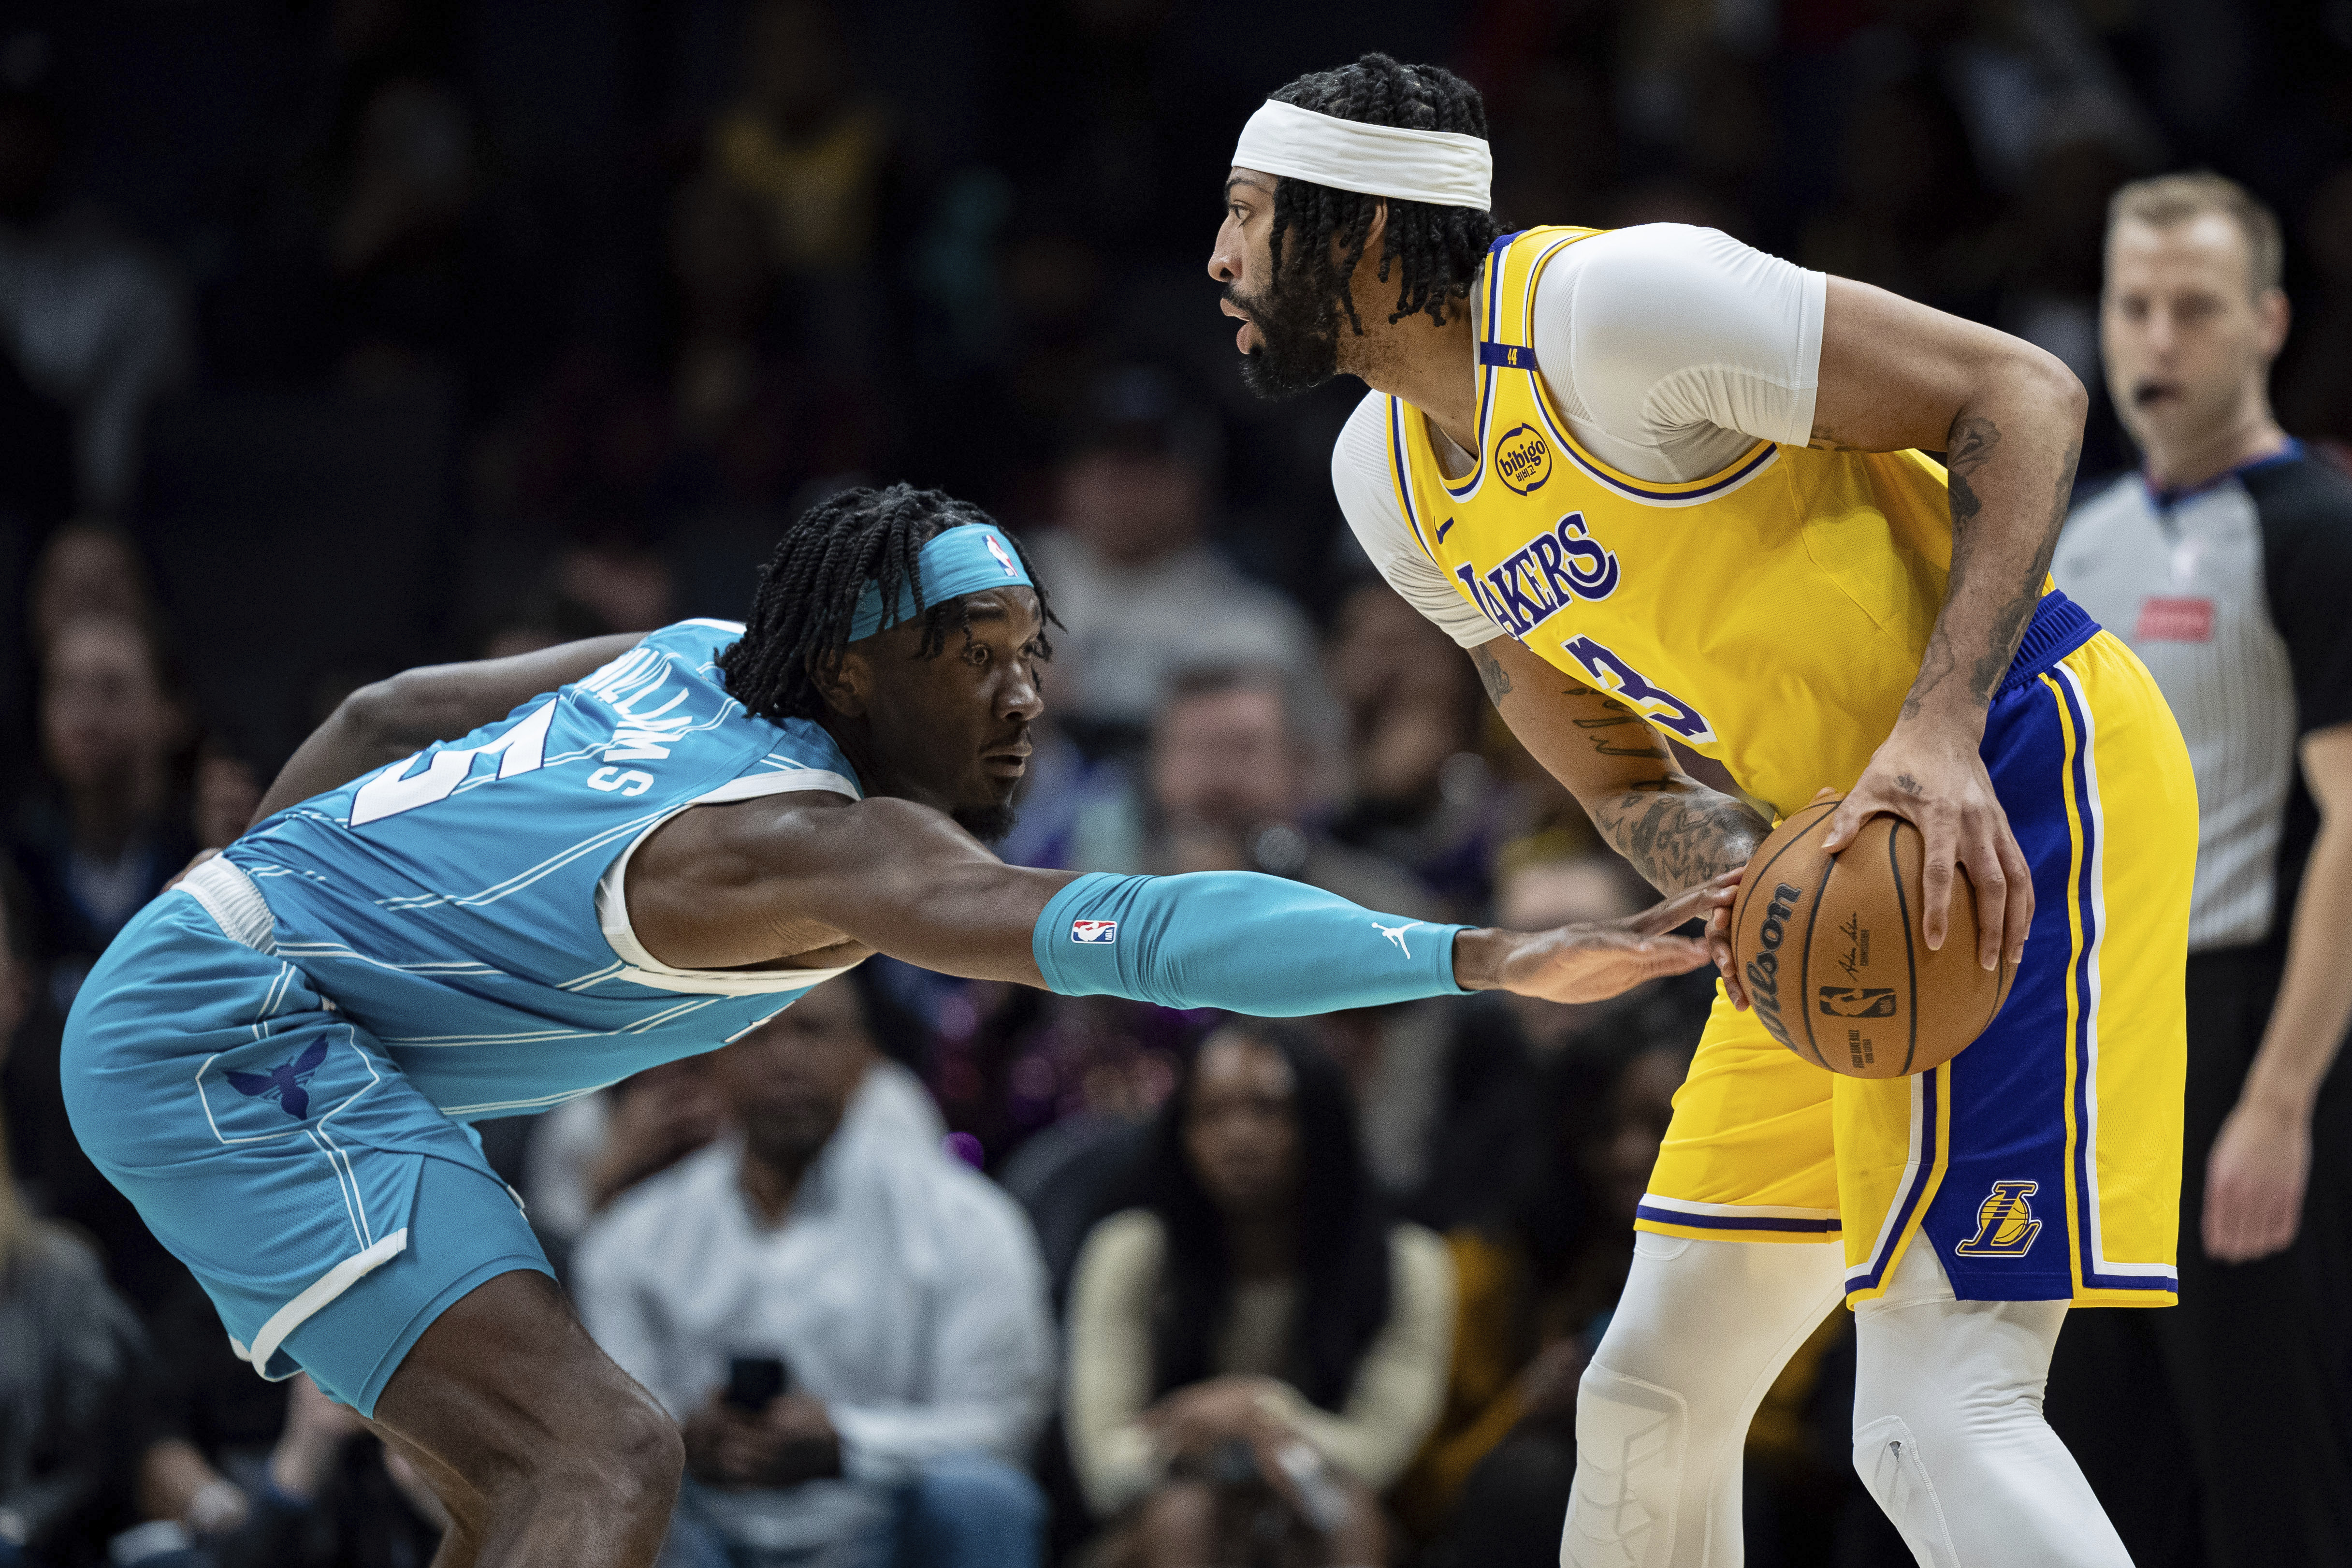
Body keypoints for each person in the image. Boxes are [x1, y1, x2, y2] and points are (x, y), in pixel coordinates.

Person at [63, 482, 1725, 1568]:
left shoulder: (704, 655)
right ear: (855, 677)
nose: (1021, 694)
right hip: (244, 1034)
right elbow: (1145, 926)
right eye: (970, 656)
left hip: (233, 987)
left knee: (514, 1487)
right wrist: (1485, 955)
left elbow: (379, 714)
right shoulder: (812, 843)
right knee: (611, 1455)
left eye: (1029, 652)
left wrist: (227, 899)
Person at [1206, 53, 2197, 1568]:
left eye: (1252, 212)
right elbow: (1581, 737)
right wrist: (1711, 867)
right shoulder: (1383, 479)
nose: (1218, 257)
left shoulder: (1618, 311)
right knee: (1648, 1394)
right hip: (1826, 863)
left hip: (2011, 773)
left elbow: (2020, 389)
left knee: (1935, 1411)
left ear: (1361, 226)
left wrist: (1933, 730)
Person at [2046, 172, 2352, 1568]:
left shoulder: (2316, 529)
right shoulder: (2071, 537)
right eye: (2133, 306)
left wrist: (2279, 1102)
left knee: (2267, 1460)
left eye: (2194, 309)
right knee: (2099, 1462)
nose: (2156, 340)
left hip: (2252, 1028)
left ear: (2267, 322)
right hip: (2095, 1042)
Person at [576, 973, 1052, 1568]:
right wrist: (684, 1437)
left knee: (982, 1497)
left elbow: (1002, 1426)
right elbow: (609, 1426)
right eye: (757, 1035)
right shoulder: (632, 1238)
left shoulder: (965, 1220)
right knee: (614, 1493)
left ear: (866, 1057)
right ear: (714, 1058)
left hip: (885, 1526)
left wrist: (845, 1443)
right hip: (707, 1530)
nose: (786, 1059)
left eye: (814, 1031)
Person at [1063, 1020, 1452, 1568]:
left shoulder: (1411, 1263)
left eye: (1267, 1110)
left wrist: (1259, 1412)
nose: (1238, 1137)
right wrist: (1229, 1435)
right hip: (1161, 1520)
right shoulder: (1130, 1251)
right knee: (1186, 1513)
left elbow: (1377, 1455)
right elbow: (1104, 1471)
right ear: (1181, 1132)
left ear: (1321, 1121)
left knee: (1345, 1512)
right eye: (1211, 1114)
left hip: (1321, 1510)